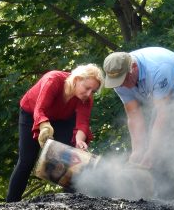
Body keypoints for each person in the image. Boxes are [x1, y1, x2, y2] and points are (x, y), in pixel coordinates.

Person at [103, 47, 174, 201]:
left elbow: (163, 113)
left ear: (133, 68)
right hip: (166, 99)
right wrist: (137, 151)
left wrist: (151, 152)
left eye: (124, 79)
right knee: (154, 141)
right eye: (118, 82)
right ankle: (164, 193)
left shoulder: (158, 68)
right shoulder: (118, 80)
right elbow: (133, 114)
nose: (122, 85)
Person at [6, 64, 104, 202]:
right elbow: (39, 110)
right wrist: (44, 127)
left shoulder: (86, 98)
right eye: (87, 88)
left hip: (63, 119)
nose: (89, 94)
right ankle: (11, 203)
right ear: (76, 79)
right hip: (32, 113)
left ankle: (74, 202)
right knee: (27, 159)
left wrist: (79, 140)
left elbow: (82, 123)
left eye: (93, 91)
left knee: (68, 158)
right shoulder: (53, 80)